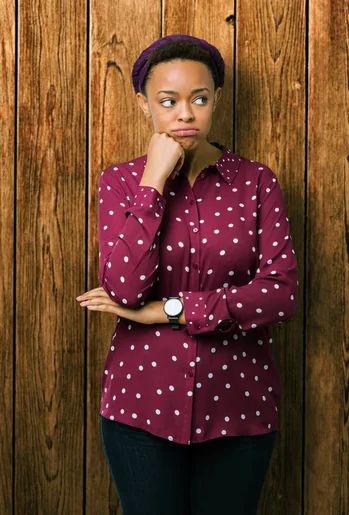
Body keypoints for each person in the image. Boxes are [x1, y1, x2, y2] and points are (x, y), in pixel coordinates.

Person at [76, 34, 298, 515]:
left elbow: (279, 295)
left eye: (199, 99)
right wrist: (152, 182)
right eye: (168, 101)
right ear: (144, 104)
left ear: (216, 99)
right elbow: (124, 287)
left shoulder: (257, 183)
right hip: (140, 409)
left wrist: (167, 311)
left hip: (239, 407)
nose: (185, 114)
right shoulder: (119, 182)